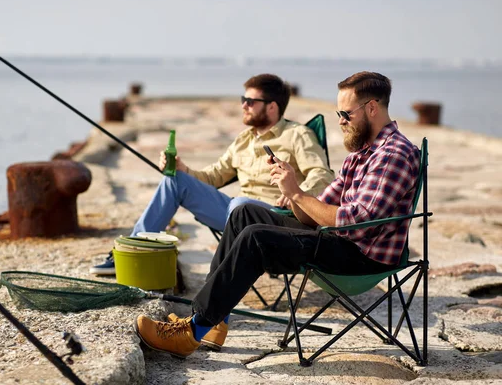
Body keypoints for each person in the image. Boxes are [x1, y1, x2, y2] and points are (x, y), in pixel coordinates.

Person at [133, 71, 421, 358]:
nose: (341, 121)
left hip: (362, 256)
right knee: (245, 213)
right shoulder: (362, 154)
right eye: (338, 113)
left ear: (372, 107)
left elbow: (358, 224)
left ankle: (191, 331)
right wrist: (291, 188)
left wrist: (296, 193)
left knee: (257, 238)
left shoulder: (393, 154)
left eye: (346, 113)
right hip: (338, 239)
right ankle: (213, 319)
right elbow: (317, 209)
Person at [90, 73, 334, 275]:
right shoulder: (243, 140)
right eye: (243, 99)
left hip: (275, 216)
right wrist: (183, 169)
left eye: (250, 101)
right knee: (174, 180)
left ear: (272, 107)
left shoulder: (297, 134)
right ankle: (132, 251)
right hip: (234, 212)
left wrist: (295, 195)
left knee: (241, 204)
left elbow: (322, 175)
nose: (243, 105)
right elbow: (214, 177)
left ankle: (216, 289)